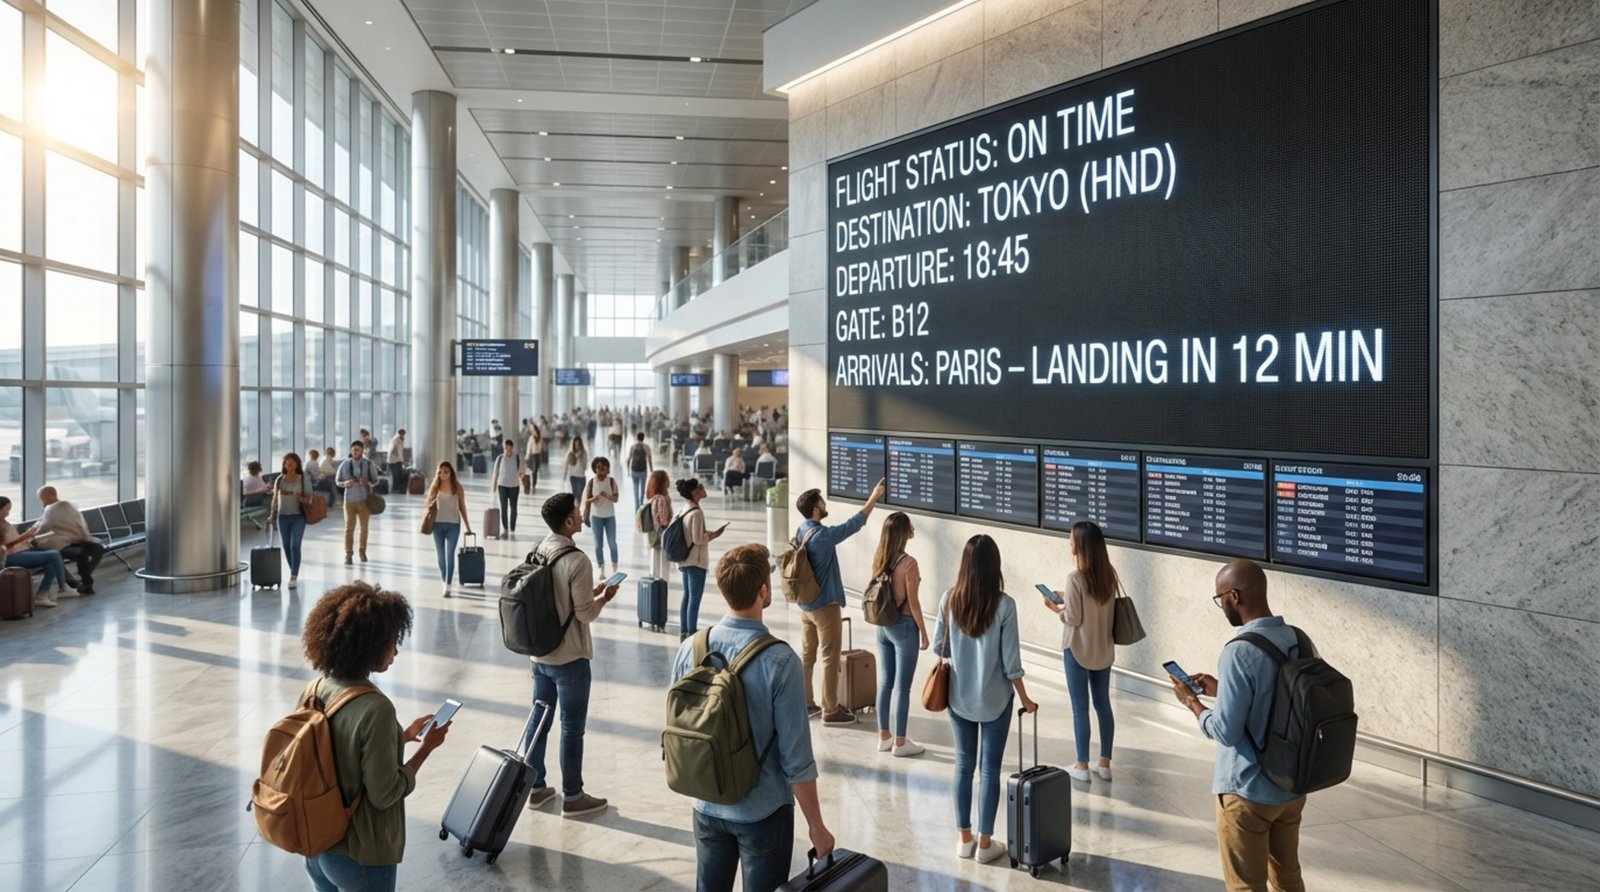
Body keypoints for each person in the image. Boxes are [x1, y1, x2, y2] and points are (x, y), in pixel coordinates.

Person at [671, 544, 835, 891]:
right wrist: (817, 826)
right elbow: (796, 760)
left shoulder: (692, 647)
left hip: (707, 803)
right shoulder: (779, 660)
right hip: (763, 812)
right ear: (763, 592)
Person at [299, 581, 451, 892]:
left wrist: (402, 737)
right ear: (368, 644)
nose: (395, 650)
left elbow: (341, 750)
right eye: (391, 641)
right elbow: (385, 793)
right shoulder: (376, 708)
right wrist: (426, 750)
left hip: (317, 845)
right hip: (360, 854)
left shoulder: (317, 689)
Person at [1171, 559, 1308, 892]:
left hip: (1247, 792)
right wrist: (1223, 689)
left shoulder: (1239, 651)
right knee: (1288, 876)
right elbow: (1283, 696)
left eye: (1220, 599)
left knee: (1245, 885)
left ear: (1234, 596)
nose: (1222, 607)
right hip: (1292, 786)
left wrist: (1193, 703)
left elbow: (1226, 731)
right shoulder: (1299, 640)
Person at [932, 534, 1036, 864]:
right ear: (995, 567)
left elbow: (940, 648)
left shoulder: (949, 599)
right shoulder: (1005, 605)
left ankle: (964, 839)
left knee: (963, 766)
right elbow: (1010, 664)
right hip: (995, 702)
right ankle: (986, 843)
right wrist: (1026, 699)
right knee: (990, 771)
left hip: (959, 698)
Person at [519, 492, 620, 819]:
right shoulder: (577, 560)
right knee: (571, 726)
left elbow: (554, 597)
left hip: (539, 655)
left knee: (539, 720)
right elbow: (586, 615)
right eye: (577, 511)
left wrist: (590, 591)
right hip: (570, 659)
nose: (581, 513)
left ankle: (535, 788)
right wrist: (604, 597)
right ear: (569, 521)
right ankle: (573, 797)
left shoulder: (538, 549)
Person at [793, 481, 884, 725]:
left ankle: (806, 703)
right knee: (829, 658)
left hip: (806, 606)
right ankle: (830, 710)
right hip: (824, 607)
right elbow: (854, 524)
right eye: (821, 502)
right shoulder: (822, 536)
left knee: (807, 656)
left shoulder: (802, 530)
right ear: (815, 510)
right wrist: (873, 497)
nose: (825, 505)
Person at [1040, 520, 1119, 782]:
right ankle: (1105, 763)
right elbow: (1095, 602)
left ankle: (1082, 766)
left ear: (1080, 545)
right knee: (1103, 705)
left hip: (1077, 650)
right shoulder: (1109, 573)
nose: (1069, 543)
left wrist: (1054, 608)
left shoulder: (1075, 577)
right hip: (1103, 650)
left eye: (1071, 539)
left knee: (1079, 707)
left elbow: (1072, 618)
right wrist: (1066, 595)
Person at [871, 512, 929, 757]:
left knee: (885, 682)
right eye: (910, 527)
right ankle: (901, 743)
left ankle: (884, 736)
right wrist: (924, 633)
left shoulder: (879, 557)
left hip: (882, 626)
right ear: (904, 532)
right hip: (904, 627)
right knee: (902, 688)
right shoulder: (909, 563)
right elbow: (913, 603)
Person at [672, 478, 727, 641]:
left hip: (685, 559)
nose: (704, 488)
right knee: (694, 599)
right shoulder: (696, 512)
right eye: (701, 487)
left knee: (687, 596)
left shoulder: (684, 509)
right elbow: (698, 539)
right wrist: (713, 535)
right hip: (696, 561)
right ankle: (691, 633)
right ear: (695, 492)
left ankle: (684, 631)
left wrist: (709, 533)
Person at [33, 486, 105, 595]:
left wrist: (32, 535)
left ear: (47, 497)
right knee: (97, 549)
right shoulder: (71, 505)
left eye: (42, 499)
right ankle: (84, 581)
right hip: (79, 540)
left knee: (59, 554)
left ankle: (78, 582)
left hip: (65, 544)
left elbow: (43, 527)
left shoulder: (51, 509)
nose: (42, 502)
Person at [0, 495, 69, 607]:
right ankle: (63, 587)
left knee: (51, 564)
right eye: (7, 508)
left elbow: (14, 542)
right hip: (10, 557)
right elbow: (5, 547)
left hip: (21, 552)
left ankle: (42, 595)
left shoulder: (5, 523)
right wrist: (25, 535)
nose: (8, 511)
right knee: (54, 554)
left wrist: (28, 538)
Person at [424, 462, 473, 596]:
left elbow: (462, 507)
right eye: (440, 472)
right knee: (441, 558)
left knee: (449, 555)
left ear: (451, 473)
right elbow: (428, 503)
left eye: (446, 471)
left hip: (453, 525)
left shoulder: (457, 487)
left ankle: (448, 585)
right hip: (437, 526)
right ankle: (445, 581)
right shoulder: (435, 486)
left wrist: (468, 526)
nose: (443, 474)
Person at [267, 453, 312, 590]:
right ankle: (294, 569)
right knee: (286, 546)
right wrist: (272, 514)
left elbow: (310, 499)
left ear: (297, 464)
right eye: (287, 462)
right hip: (283, 516)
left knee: (295, 545)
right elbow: (275, 498)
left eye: (293, 462)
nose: (290, 465)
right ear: (284, 464)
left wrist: (299, 497)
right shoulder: (280, 480)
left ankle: (293, 576)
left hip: (299, 516)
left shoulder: (303, 479)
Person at [335, 441, 382, 565]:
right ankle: (348, 554)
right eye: (354, 449)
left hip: (364, 501)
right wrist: (345, 484)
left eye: (358, 449)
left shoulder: (368, 464)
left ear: (362, 451)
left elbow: (376, 480)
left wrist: (369, 482)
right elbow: (337, 481)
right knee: (348, 529)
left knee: (364, 528)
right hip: (349, 501)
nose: (356, 452)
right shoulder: (345, 464)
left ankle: (362, 552)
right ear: (351, 451)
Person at [582, 457, 621, 576]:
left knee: (612, 543)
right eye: (598, 467)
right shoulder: (591, 482)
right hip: (596, 517)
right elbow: (587, 500)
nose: (601, 470)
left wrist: (607, 496)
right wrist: (594, 498)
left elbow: (616, 499)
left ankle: (614, 566)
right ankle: (601, 567)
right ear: (594, 469)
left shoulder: (611, 481)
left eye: (603, 467)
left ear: (607, 468)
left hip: (609, 516)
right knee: (598, 545)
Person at [492, 438, 528, 540]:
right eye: (505, 449)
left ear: (512, 448)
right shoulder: (499, 459)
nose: (507, 451)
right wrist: (494, 487)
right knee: (503, 507)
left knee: (513, 507)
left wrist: (523, 479)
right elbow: (495, 474)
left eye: (509, 449)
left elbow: (521, 473)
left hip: (514, 486)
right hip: (502, 486)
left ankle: (512, 526)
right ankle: (505, 527)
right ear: (503, 448)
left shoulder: (517, 457)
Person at [644, 470, 673, 581]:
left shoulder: (652, 497)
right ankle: (663, 583)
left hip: (653, 531)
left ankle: (654, 581)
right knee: (664, 560)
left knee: (654, 557)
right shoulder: (662, 498)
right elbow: (664, 520)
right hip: (663, 532)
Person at [626, 432, 654, 505]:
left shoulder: (633, 446)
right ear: (643, 438)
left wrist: (628, 470)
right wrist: (651, 470)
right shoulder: (646, 447)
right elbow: (649, 459)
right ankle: (641, 503)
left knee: (635, 488)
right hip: (643, 470)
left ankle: (636, 505)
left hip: (634, 469)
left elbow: (628, 459)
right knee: (642, 488)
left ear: (636, 437)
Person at [564, 437, 589, 501]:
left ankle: (580, 509)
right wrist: (565, 475)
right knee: (575, 496)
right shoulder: (570, 453)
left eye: (579, 444)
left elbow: (585, 467)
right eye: (576, 444)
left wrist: (580, 459)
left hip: (581, 476)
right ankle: (577, 509)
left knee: (581, 497)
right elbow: (567, 465)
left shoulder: (584, 453)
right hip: (573, 476)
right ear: (573, 445)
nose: (577, 446)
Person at [386, 430, 407, 494]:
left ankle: (398, 488)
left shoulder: (401, 440)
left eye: (403, 434)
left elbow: (401, 450)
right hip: (393, 460)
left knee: (399, 474)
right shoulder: (395, 440)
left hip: (399, 460)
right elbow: (392, 450)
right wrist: (396, 455)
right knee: (395, 474)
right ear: (399, 433)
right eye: (401, 434)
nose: (402, 435)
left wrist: (401, 459)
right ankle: (395, 488)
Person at [525, 425, 544, 492]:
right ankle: (531, 485)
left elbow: (541, 447)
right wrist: (527, 456)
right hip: (532, 456)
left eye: (534, 430)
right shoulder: (531, 438)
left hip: (537, 456)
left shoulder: (540, 438)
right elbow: (529, 448)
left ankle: (534, 484)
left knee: (535, 471)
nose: (533, 431)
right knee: (532, 471)